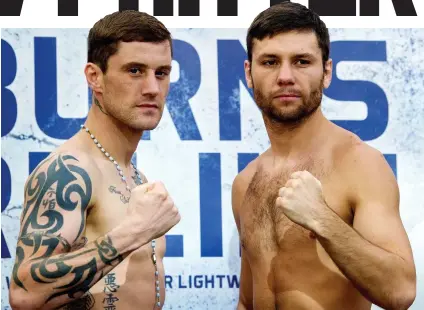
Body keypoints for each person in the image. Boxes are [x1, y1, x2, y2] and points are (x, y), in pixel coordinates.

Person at [231, 2, 416, 310]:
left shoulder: (359, 164)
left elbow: (400, 291)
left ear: (326, 72)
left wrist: (321, 219)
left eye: (302, 61)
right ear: (249, 73)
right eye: (270, 62)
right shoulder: (244, 183)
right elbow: (247, 302)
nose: (285, 76)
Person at [9, 10, 180, 310]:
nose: (152, 88)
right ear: (94, 77)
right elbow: (24, 294)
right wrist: (134, 231)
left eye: (161, 73)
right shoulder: (68, 171)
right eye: (135, 70)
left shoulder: (137, 178)